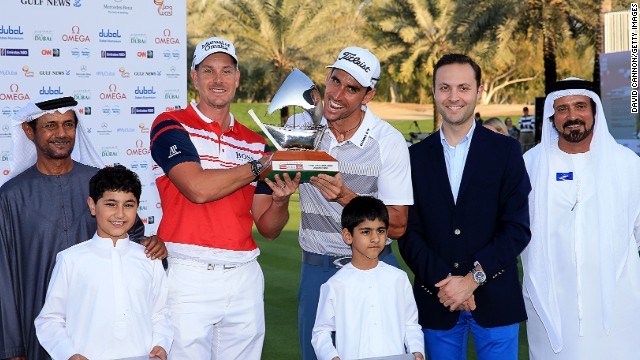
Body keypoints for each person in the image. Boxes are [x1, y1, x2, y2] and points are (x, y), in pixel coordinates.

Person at [149, 36, 299, 359]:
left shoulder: (255, 143)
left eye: (226, 71)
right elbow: (197, 188)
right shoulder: (170, 124)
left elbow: (269, 227)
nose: (218, 80)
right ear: (194, 77)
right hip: (187, 274)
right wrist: (258, 167)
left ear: (237, 78)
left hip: (243, 275)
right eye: (208, 71)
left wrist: (281, 199)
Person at [0, 96, 166, 360]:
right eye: (50, 125)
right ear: (29, 131)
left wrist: (152, 245)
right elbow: (3, 276)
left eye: (68, 124)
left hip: (97, 330)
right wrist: (10, 347)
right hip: (36, 327)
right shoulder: (11, 196)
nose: (61, 133)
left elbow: (131, 240)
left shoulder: (98, 183)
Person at [399, 53, 531, 360]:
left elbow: (516, 229)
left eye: (463, 87)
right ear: (433, 91)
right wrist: (447, 286)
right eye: (444, 88)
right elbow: (408, 232)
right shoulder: (414, 158)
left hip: (496, 299)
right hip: (437, 299)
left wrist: (472, 281)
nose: (454, 97)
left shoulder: (507, 151)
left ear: (479, 91)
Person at [296, 46, 413, 360]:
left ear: (368, 95)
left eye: (352, 89)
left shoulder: (387, 141)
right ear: (326, 77)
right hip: (317, 269)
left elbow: (399, 225)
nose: (337, 94)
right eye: (335, 81)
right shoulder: (301, 126)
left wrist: (345, 196)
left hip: (375, 266)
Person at [522, 78, 640, 359]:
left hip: (617, 298)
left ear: (594, 111)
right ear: (552, 116)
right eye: (562, 109)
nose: (572, 116)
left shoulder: (627, 164)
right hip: (550, 301)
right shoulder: (530, 164)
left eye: (580, 106)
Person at [35, 165, 173, 360]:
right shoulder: (70, 259)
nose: (120, 214)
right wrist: (69, 354)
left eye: (128, 205)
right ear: (92, 205)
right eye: (110, 204)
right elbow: (50, 319)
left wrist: (161, 343)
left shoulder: (149, 258)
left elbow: (160, 313)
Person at [311, 196, 424, 360]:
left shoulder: (398, 278)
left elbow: (411, 324)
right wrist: (332, 357)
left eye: (381, 230)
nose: (375, 238)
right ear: (348, 236)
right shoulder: (336, 284)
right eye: (366, 231)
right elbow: (321, 331)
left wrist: (417, 350)